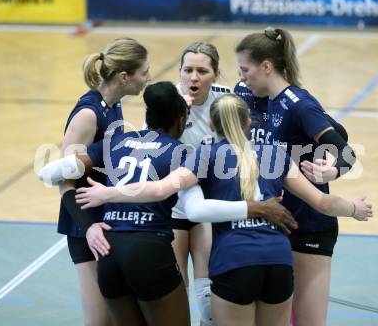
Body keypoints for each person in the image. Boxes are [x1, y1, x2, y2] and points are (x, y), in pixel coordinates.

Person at [73, 94, 373, 326]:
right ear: (248, 123)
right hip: (279, 261)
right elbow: (323, 202)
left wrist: (108, 192)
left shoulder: (204, 155)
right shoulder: (275, 154)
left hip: (235, 262)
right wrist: (355, 208)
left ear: (212, 125)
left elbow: (161, 189)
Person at [38, 83, 297, 325]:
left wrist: (91, 211)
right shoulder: (182, 153)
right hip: (149, 250)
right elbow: (189, 204)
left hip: (109, 251)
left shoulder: (114, 142)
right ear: (182, 120)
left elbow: (50, 173)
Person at [235, 27, 360, 326]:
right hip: (268, 221)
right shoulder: (247, 95)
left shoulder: (298, 104)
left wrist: (331, 170)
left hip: (309, 226)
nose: (241, 77)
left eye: (244, 69)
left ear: (266, 66)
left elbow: (346, 151)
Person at [52, 37, 150, 326]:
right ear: (124, 76)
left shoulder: (113, 105)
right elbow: (62, 179)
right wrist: (89, 227)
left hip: (108, 221)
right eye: (144, 72)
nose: (148, 77)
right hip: (86, 228)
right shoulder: (88, 115)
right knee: (99, 321)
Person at [171, 41, 233, 325]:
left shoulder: (226, 102)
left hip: (207, 209)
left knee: (209, 301)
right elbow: (154, 151)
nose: (193, 77)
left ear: (216, 74)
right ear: (180, 72)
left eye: (202, 71)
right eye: (188, 70)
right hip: (172, 208)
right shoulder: (166, 100)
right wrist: (177, 117)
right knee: (173, 294)